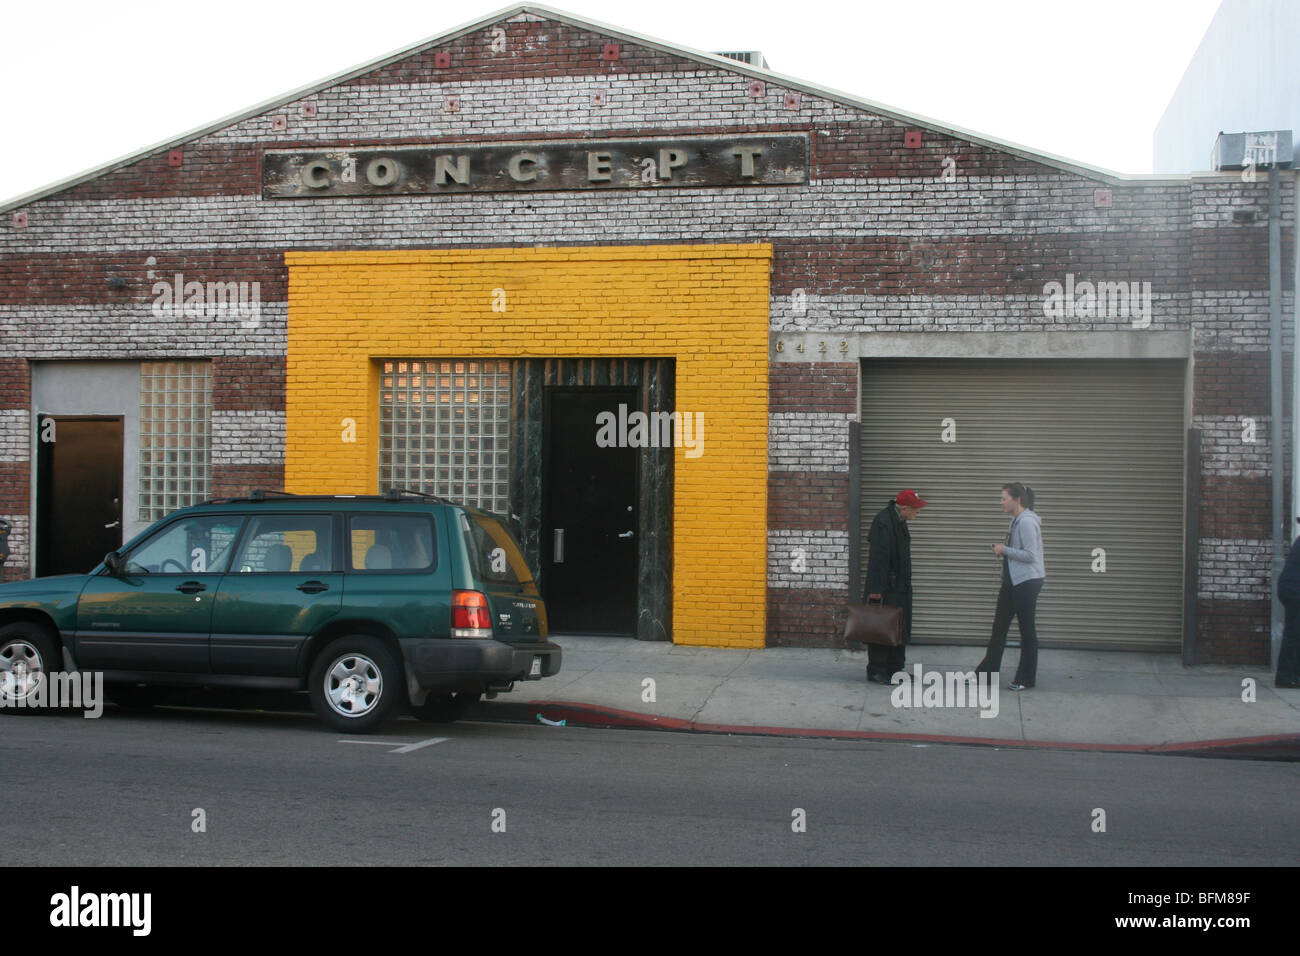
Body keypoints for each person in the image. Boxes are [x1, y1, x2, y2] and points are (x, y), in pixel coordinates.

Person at [974, 482, 1045, 690]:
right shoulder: (1016, 521)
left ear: (1018, 500)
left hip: (1026, 583)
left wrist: (1004, 550)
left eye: (1004, 498)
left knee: (1027, 631)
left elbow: (1031, 556)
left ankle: (1026, 679)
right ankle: (986, 675)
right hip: (1012, 582)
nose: (1001, 502)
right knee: (999, 629)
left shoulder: (1027, 523)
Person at [863, 489, 926, 684]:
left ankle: (895, 668)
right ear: (905, 508)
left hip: (900, 587)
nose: (918, 512)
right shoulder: (884, 522)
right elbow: (878, 559)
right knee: (881, 627)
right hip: (885, 587)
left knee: (899, 628)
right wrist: (876, 590)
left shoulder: (899, 521)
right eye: (916, 509)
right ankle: (877, 670)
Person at [1275, 518, 1300, 688]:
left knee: (1295, 633)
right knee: (1294, 634)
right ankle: (1285, 677)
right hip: (1295, 591)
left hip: (1291, 589)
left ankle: (1292, 675)